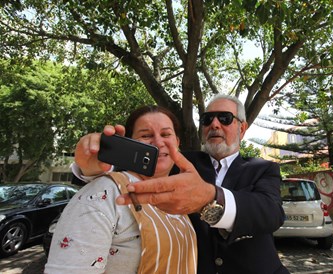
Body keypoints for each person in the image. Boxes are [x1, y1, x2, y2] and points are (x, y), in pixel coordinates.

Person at [73, 94, 288, 273]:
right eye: (207, 119)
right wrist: (91, 165)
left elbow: (270, 213)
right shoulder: (177, 162)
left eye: (224, 118)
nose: (215, 124)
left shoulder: (263, 169)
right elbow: (130, 173)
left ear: (242, 129)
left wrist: (209, 197)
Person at [45, 106, 197, 274]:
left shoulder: (181, 196)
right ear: (130, 143)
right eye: (146, 135)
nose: (158, 142)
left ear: (177, 142)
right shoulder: (105, 192)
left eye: (166, 134)